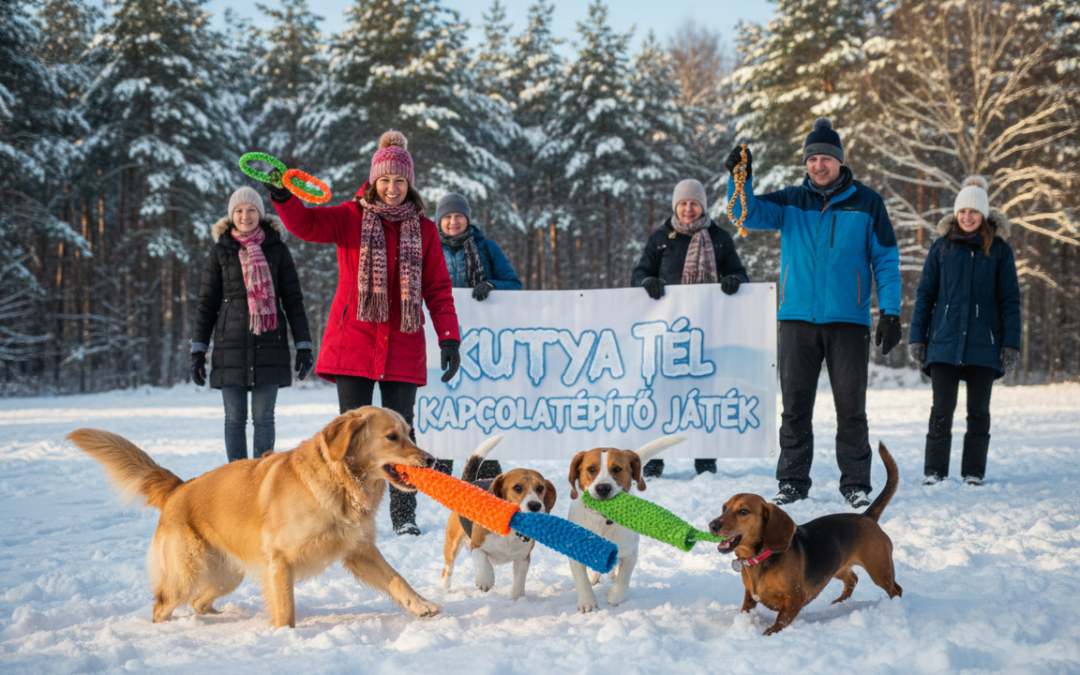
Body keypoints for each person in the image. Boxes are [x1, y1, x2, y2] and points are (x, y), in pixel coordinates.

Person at [264, 131, 461, 536]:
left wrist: (449, 338)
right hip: (353, 340)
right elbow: (307, 225)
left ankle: (404, 516)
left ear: (410, 184)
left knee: (402, 433)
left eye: (400, 181)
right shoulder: (351, 216)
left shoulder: (423, 230)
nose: (392, 188)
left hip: (403, 344)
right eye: (385, 180)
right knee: (348, 435)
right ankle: (345, 508)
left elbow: (438, 289)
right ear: (374, 181)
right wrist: (283, 198)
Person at [725, 118, 902, 508]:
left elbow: (886, 259)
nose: (819, 165)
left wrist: (890, 311)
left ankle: (856, 483)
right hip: (797, 321)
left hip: (848, 321)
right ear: (805, 163)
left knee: (851, 408)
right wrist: (741, 177)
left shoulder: (867, 202)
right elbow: (744, 213)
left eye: (826, 158)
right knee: (795, 408)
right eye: (812, 159)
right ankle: (792, 482)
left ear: (840, 161)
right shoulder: (790, 201)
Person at [630, 178, 749, 478]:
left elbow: (739, 274)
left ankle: (705, 459)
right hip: (667, 332)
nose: (688, 208)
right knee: (663, 394)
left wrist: (733, 281)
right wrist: (648, 282)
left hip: (707, 331)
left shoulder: (719, 237)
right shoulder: (660, 238)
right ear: (675, 206)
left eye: (694, 203)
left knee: (703, 392)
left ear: (703, 206)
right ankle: (654, 459)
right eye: (683, 203)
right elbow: (639, 273)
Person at [909, 176, 1020, 486]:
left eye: (974, 211)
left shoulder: (999, 251)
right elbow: (925, 295)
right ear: (955, 214)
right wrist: (918, 337)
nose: (967, 217)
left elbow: (1011, 301)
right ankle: (934, 472)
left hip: (984, 344)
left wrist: (1010, 345)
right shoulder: (941, 249)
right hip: (943, 342)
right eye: (962, 211)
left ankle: (973, 473)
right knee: (941, 412)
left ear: (983, 215)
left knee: (978, 413)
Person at [190, 187, 313, 463]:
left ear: (261, 214)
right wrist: (198, 350)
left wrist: (304, 345)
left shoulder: (278, 250)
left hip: (270, 346)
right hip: (230, 348)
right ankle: (235, 482)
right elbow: (206, 304)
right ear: (231, 216)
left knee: (263, 419)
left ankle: (261, 479)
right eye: (239, 210)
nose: (245, 216)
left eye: (251, 210)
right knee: (234, 420)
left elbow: (293, 300)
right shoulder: (220, 252)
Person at [434, 192, 522, 479]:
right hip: (440, 339)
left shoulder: (487, 248)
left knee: (480, 404)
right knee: (444, 402)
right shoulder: (429, 246)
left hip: (483, 342)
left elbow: (515, 286)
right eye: (447, 217)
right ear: (439, 221)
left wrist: (491, 285)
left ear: (468, 219)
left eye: (458, 216)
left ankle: (488, 470)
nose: (453, 221)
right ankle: (441, 469)